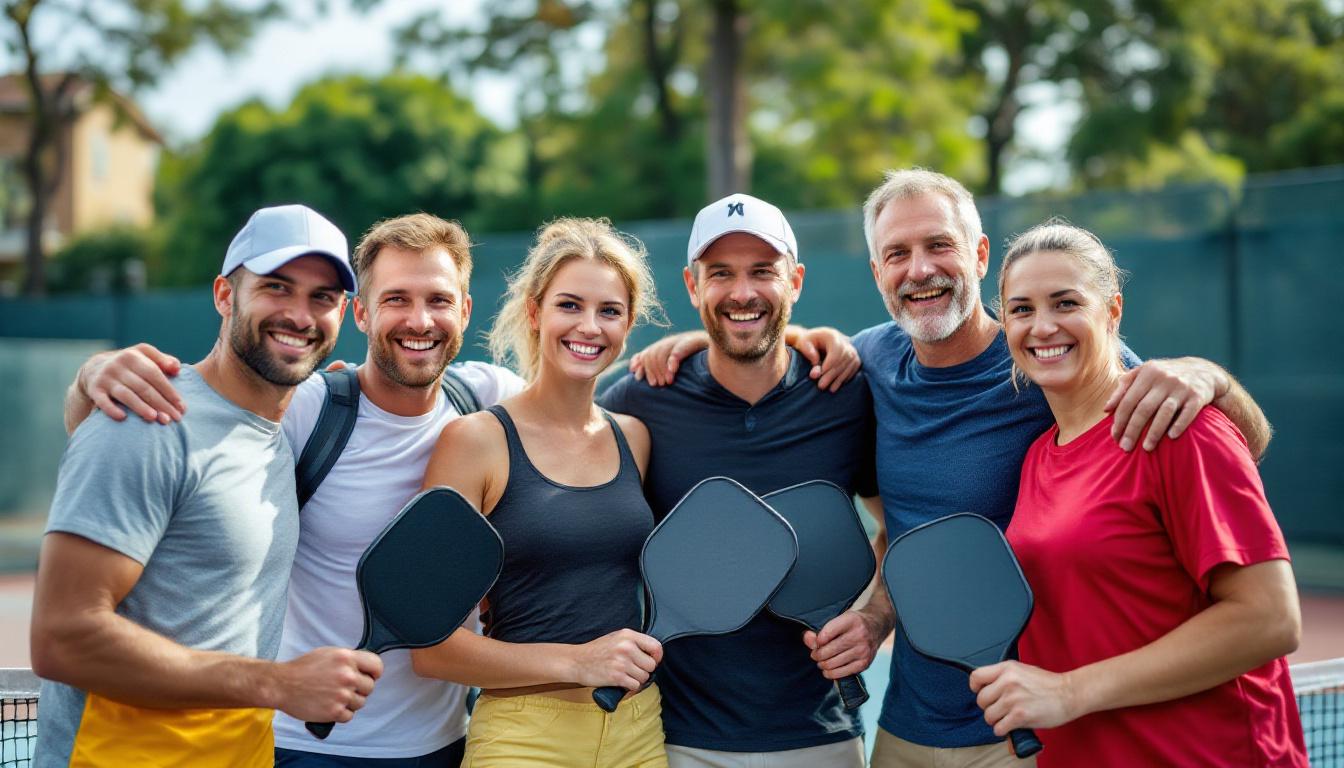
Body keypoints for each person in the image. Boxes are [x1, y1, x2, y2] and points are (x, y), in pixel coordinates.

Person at [633, 170, 1271, 768]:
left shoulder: (1048, 358)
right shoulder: (867, 363)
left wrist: (1207, 375)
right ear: (877, 270)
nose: (920, 269)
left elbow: (1232, 439)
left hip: (1030, 729)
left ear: (981, 254)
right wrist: (694, 344)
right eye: (898, 253)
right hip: (906, 728)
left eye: (939, 245)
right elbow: (772, 349)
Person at [64, 213, 527, 768]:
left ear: (466, 310)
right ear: (361, 312)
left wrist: (660, 356)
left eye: (439, 300)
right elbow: (181, 420)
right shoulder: (307, 406)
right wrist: (91, 376)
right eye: (397, 299)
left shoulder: (488, 399)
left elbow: (587, 426)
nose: (420, 320)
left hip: (446, 743)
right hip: (305, 746)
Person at [33, 204, 383, 768]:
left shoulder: (300, 422)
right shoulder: (146, 418)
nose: (300, 314)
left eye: (322, 297)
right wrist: (278, 684)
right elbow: (62, 638)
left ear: (344, 312)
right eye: (276, 287)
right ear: (225, 295)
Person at [967, 220, 1305, 766]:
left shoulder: (1181, 429)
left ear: (1113, 310)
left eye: (1066, 302)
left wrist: (1068, 692)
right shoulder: (1036, 458)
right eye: (1021, 309)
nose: (1043, 326)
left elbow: (1270, 618)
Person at [603, 193, 879, 768]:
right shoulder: (639, 400)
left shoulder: (848, 394)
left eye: (763, 272)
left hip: (822, 738)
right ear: (692, 285)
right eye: (720, 273)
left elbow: (897, 526)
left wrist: (874, 620)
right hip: (676, 740)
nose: (742, 292)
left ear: (796, 281)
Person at [409, 217, 668, 767]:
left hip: (640, 730)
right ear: (535, 312)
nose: (590, 327)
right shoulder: (476, 441)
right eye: (569, 305)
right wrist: (577, 662)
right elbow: (431, 649)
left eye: (610, 311)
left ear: (628, 326)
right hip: (524, 739)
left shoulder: (635, 438)